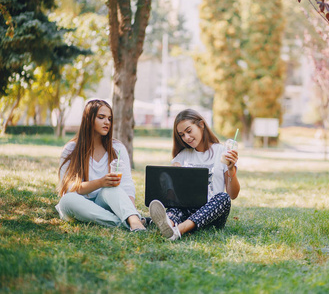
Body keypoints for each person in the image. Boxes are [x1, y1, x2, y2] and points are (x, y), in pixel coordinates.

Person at [148, 109, 240, 240]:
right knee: (177, 206)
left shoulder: (222, 152)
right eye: (182, 135)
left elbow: (233, 195)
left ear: (201, 125)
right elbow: (172, 190)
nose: (186, 137)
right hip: (188, 210)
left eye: (189, 131)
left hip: (213, 215)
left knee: (223, 197)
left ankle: (180, 229)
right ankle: (168, 225)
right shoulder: (183, 156)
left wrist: (231, 170)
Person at [55, 99, 146, 231]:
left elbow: (127, 185)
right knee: (67, 200)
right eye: (101, 117)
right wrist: (100, 182)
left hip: (105, 202)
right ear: (88, 119)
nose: (107, 122)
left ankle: (133, 220)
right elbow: (69, 188)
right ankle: (126, 222)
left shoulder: (117, 148)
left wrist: (131, 209)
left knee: (112, 189)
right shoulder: (71, 149)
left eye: (109, 119)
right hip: (78, 204)